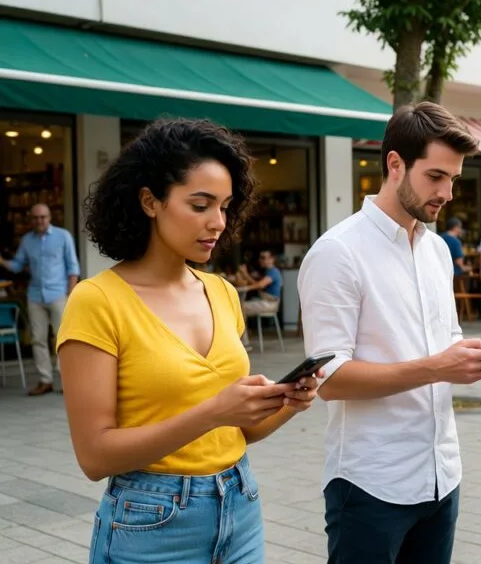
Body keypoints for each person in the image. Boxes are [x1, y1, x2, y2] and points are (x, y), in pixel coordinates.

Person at [56, 118, 321, 563]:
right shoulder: (97, 300)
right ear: (150, 201)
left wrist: (288, 402)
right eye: (200, 205)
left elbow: (237, 431)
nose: (218, 223)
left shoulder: (222, 293)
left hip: (239, 503)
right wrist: (214, 411)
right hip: (150, 520)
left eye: (225, 207)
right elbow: (94, 456)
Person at [297, 101, 481, 564]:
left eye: (454, 179)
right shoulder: (337, 252)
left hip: (441, 472)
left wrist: (476, 358)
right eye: (435, 176)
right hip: (370, 482)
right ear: (395, 164)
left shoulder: (437, 250)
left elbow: (446, 341)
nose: (448, 193)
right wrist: (439, 367)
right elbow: (330, 380)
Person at [0, 202, 80, 396]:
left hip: (58, 294)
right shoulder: (27, 240)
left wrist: (71, 293)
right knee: (38, 339)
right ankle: (45, 380)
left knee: (62, 338)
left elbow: (73, 267)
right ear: (31, 219)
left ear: (50, 217)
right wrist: (2, 261)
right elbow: (18, 265)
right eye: (35, 218)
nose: (39, 221)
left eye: (43, 217)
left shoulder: (63, 236)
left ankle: (66, 380)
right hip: (35, 295)